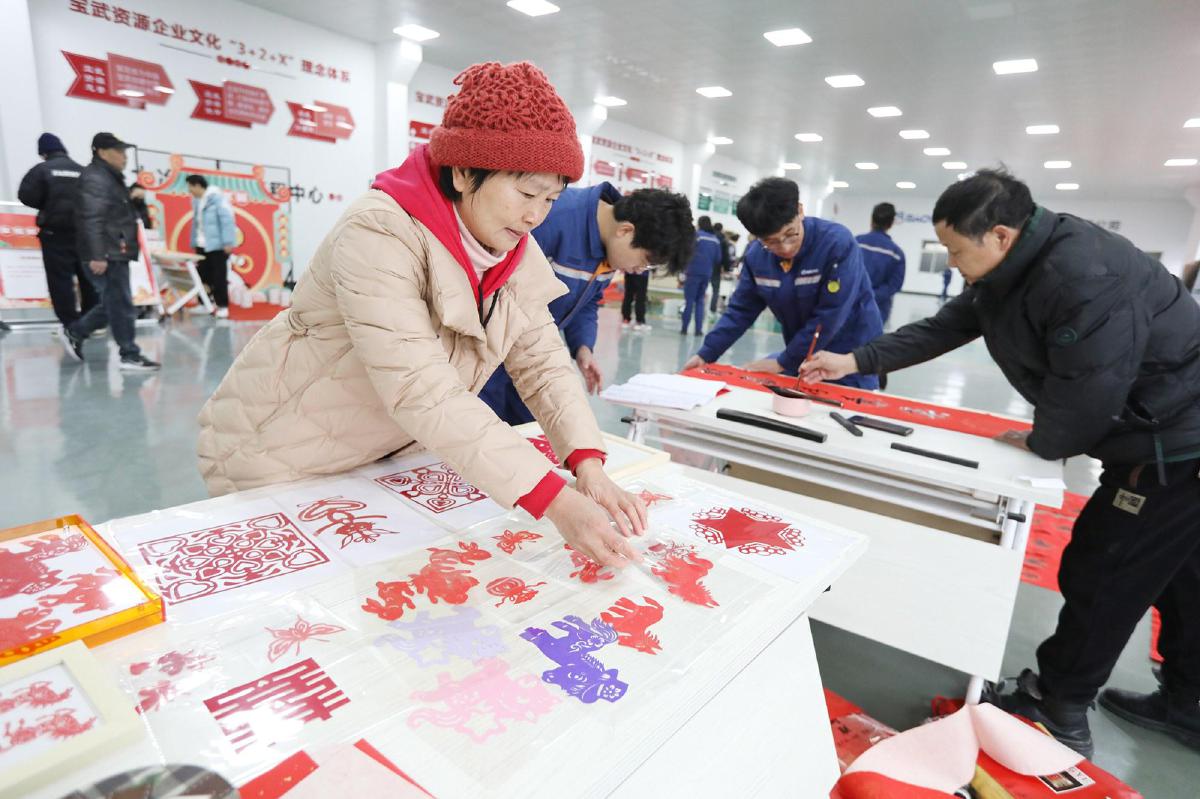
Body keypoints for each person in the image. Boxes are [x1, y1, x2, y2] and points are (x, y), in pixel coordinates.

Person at [801, 168, 1200, 758]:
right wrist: (856, 359)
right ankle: (1190, 702)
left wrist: (1045, 440)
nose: (951, 262)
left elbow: (1092, 388)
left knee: (1105, 571)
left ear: (1001, 235)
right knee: (1183, 579)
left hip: (1171, 444)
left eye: (956, 250)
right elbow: (945, 327)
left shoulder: (1083, 276)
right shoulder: (1014, 269)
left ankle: (1057, 708)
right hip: (1167, 433)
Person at [197, 61, 647, 569]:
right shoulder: (379, 231)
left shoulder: (514, 253)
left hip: (380, 459)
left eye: (550, 199)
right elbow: (419, 387)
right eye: (526, 193)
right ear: (463, 172)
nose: (534, 216)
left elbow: (542, 363)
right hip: (283, 455)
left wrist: (587, 462)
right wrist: (553, 500)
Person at [479, 184, 692, 424]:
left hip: (531, 357)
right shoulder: (553, 217)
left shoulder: (610, 248)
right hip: (488, 351)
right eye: (645, 261)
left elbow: (587, 302)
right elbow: (492, 285)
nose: (640, 271)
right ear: (625, 231)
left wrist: (583, 347)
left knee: (530, 432)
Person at [683, 177, 882, 387]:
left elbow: (831, 314)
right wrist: (706, 353)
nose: (785, 248)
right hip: (804, 353)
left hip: (851, 354)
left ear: (800, 211)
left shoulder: (836, 243)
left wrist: (783, 362)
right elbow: (741, 310)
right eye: (770, 242)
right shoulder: (757, 257)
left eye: (790, 234)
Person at [60, 132, 159, 372]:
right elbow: (91, 219)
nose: (124, 157)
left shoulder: (109, 177)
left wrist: (135, 201)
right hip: (106, 253)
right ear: (102, 152)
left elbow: (117, 215)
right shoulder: (96, 178)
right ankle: (129, 354)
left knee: (115, 303)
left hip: (115, 250)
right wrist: (97, 255)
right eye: (119, 152)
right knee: (120, 304)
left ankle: (76, 331)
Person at [17, 133, 97, 328]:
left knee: (60, 281)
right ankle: (91, 320)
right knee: (88, 278)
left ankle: (71, 323)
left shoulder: (41, 170)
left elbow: (25, 196)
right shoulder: (83, 171)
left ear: (43, 153)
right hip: (84, 235)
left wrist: (47, 204)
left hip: (55, 235)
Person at [187, 174, 237, 319]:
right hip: (201, 245)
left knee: (219, 276)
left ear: (197, 185)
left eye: (190, 187)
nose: (189, 191)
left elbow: (227, 221)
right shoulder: (197, 201)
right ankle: (204, 303)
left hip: (217, 245)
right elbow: (197, 224)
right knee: (202, 275)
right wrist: (194, 241)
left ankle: (222, 306)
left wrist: (228, 242)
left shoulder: (218, 199)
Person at [856, 202, 906, 325]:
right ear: (891, 223)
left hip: (849, 306)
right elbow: (894, 285)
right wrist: (870, 296)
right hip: (876, 311)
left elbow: (841, 272)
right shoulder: (897, 254)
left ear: (871, 220)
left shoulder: (855, 242)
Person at [679, 216, 723, 336]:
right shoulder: (715, 240)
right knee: (700, 301)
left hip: (693, 272)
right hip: (707, 273)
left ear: (699, 224)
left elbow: (687, 252)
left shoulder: (697, 236)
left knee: (689, 300)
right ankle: (698, 330)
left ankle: (684, 328)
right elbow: (718, 259)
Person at [708, 222, 732, 313]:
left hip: (706, 265)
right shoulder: (723, 240)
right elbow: (725, 255)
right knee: (715, 290)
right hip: (717, 267)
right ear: (721, 229)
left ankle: (698, 306)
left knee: (702, 287)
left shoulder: (709, 237)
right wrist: (726, 268)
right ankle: (712, 309)